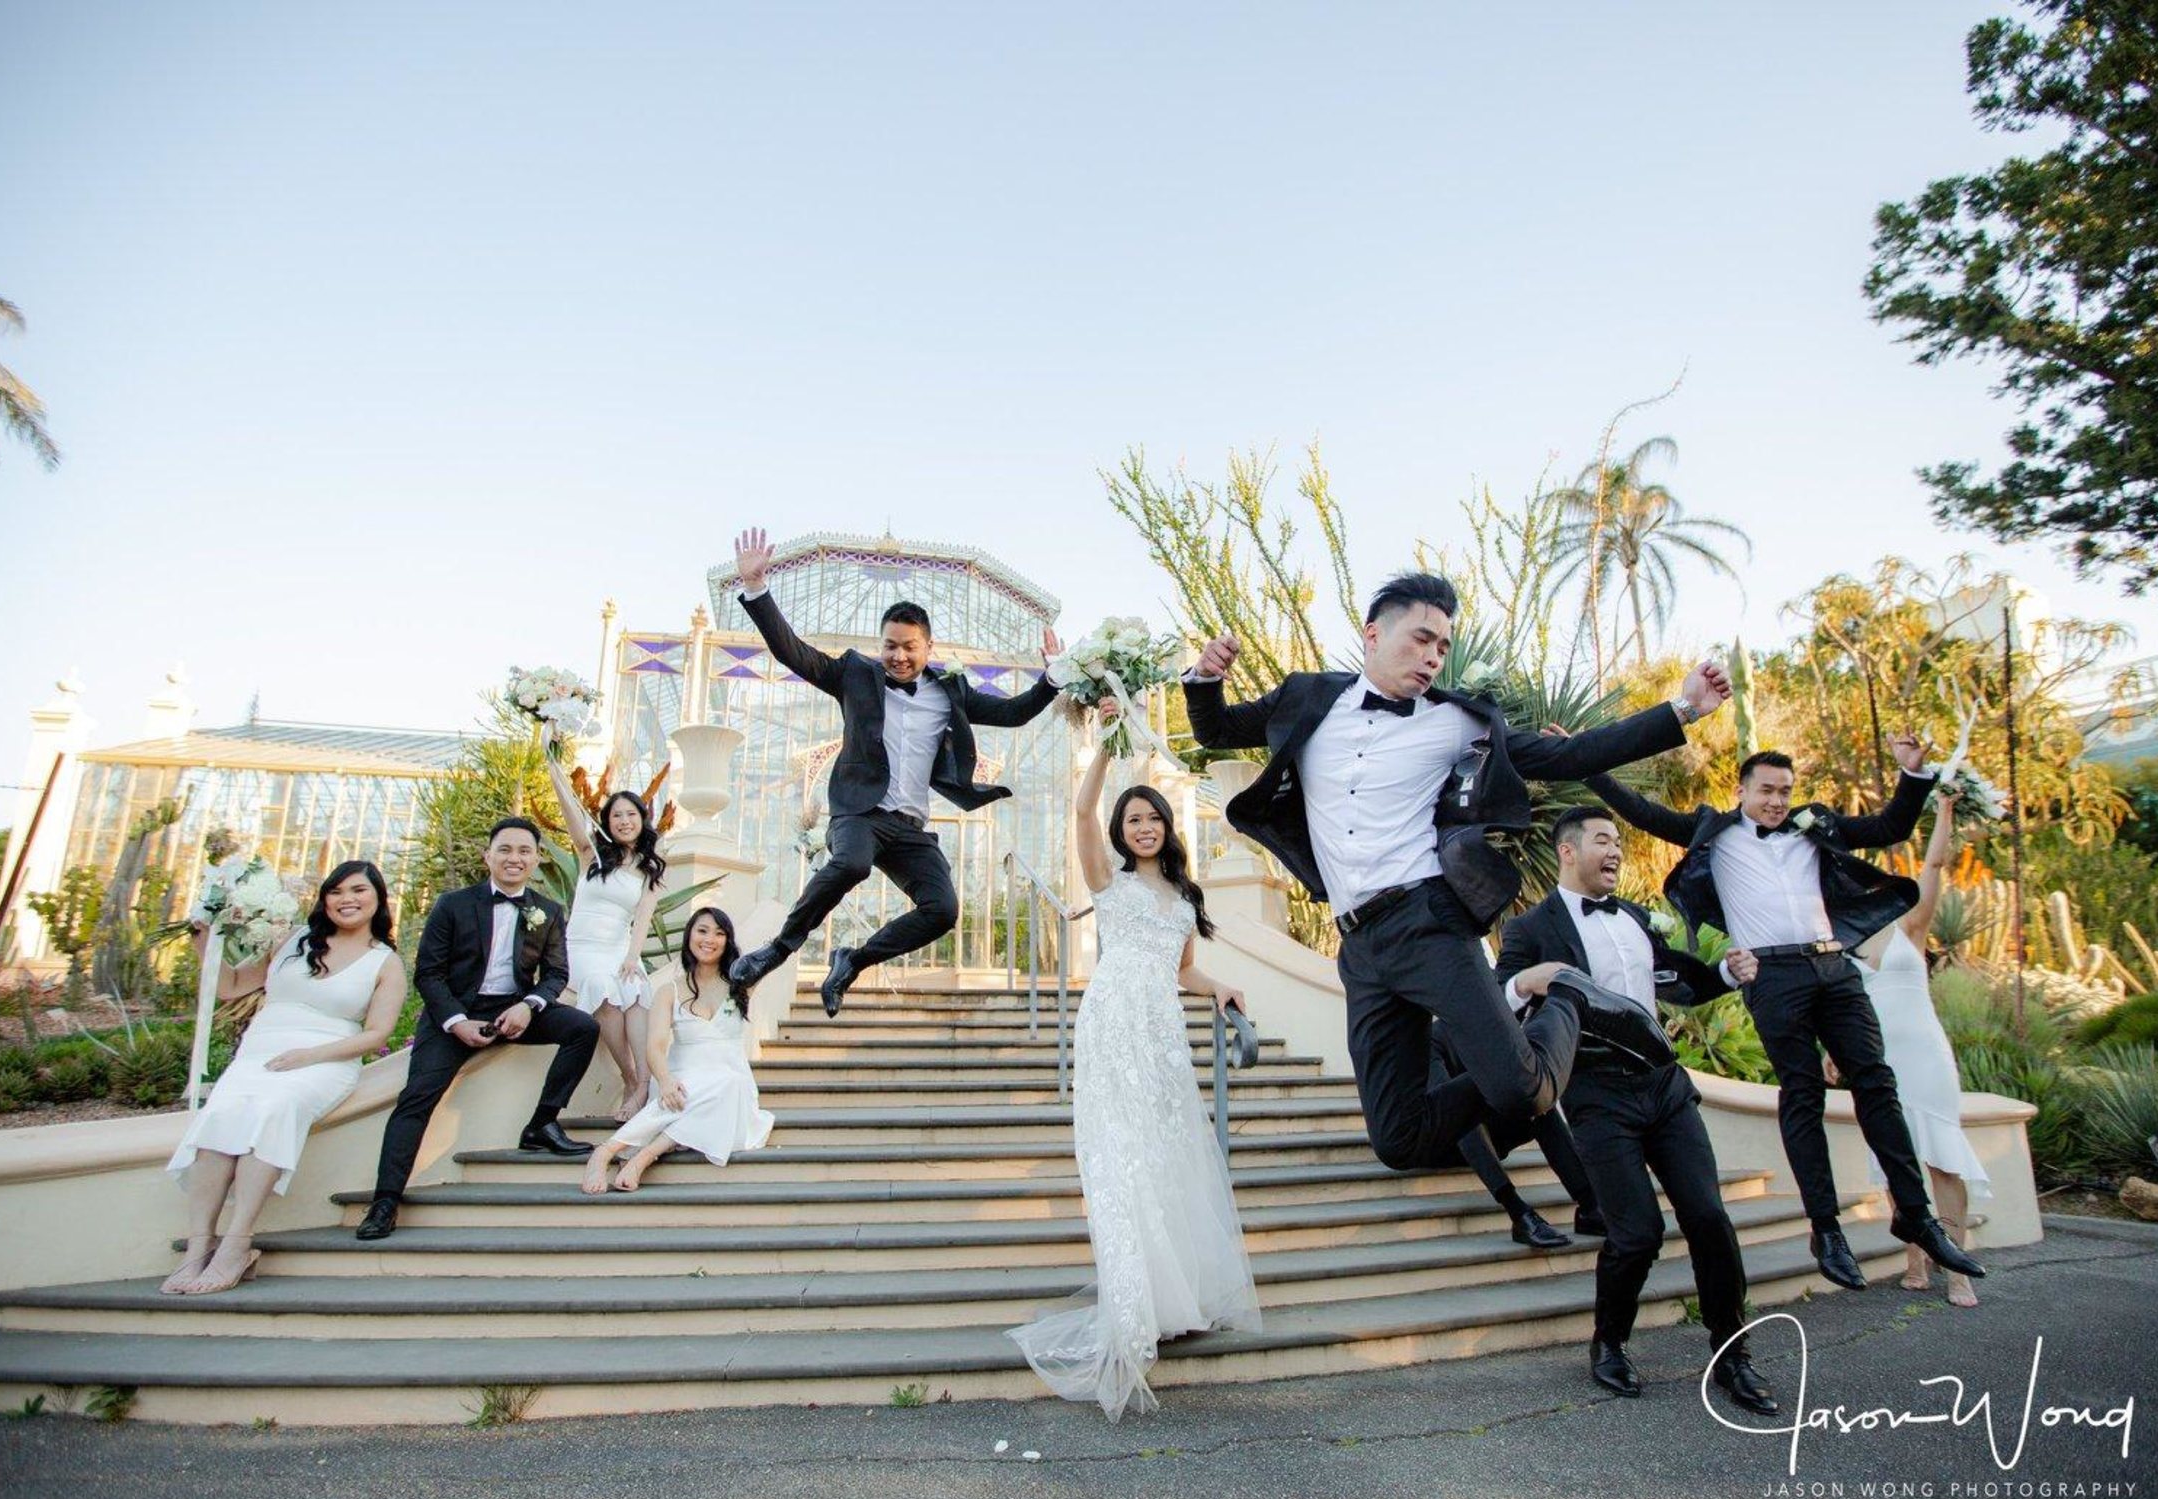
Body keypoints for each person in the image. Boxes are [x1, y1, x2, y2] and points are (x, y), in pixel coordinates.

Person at [1182, 570, 1730, 1174]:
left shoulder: (1457, 722)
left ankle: (1567, 1000)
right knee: (1399, 1140)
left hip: (1429, 924)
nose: (1433, 657)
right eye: (1421, 639)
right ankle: (1518, 1062)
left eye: (1442, 646)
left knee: (1523, 1093)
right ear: (1372, 633)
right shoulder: (1306, 697)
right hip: (1358, 945)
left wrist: (1684, 708)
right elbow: (1215, 730)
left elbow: (1569, 756)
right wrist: (1206, 676)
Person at [1585, 743, 1986, 1291]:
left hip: (1833, 968)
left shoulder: (1814, 826)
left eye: (1784, 791)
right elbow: (1645, 814)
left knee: (1876, 1082)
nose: (1777, 801)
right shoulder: (1717, 835)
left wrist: (1912, 773)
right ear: (1742, 792)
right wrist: (1587, 762)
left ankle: (1915, 1214)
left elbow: (1890, 825)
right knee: (1803, 1093)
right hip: (1774, 979)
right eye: (1767, 790)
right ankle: (1827, 1229)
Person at [1009, 701, 1261, 1419]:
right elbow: (1082, 812)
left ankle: (1169, 1297)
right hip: (1112, 1023)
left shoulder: (1185, 895)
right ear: (1122, 834)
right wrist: (1104, 748)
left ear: (1166, 827)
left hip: (1161, 1033)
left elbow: (1184, 970)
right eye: (1132, 821)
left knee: (1165, 1155)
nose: (1142, 827)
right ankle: (1131, 1309)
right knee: (1120, 1160)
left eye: (1151, 818)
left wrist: (1221, 989)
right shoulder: (1107, 883)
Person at [1493, 806, 1776, 1413]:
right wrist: (1525, 982)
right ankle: (1609, 1343)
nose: (1615, 850)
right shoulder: (1529, 930)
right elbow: (1495, 1003)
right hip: (1597, 1096)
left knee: (1708, 1216)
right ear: (1568, 852)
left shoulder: (1633, 918)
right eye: (1603, 840)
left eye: (1618, 840)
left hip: (1665, 1087)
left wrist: (1726, 971)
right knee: (1637, 1233)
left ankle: (1734, 1354)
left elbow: (1677, 980)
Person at [722, 526, 1064, 1015]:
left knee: (943, 910)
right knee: (852, 864)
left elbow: (1014, 713)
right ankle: (776, 950)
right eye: (890, 645)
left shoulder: (950, 690)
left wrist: (1052, 678)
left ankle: (853, 960)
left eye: (909, 647)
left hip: (909, 826)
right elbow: (792, 652)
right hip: (859, 812)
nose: (898, 656)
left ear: (928, 647)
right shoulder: (854, 675)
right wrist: (757, 589)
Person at [163, 861, 409, 1293]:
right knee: (221, 1114)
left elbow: (377, 1034)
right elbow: (232, 986)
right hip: (259, 1053)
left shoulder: (384, 962)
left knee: (277, 1108)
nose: (346, 899)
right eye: (336, 891)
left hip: (326, 1059)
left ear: (377, 900)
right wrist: (203, 937)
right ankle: (199, 1246)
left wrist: (309, 1056)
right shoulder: (293, 941)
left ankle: (237, 1244)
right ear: (324, 899)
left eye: (358, 890)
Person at [355, 818, 602, 1241]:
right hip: (454, 1014)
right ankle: (385, 1202)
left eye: (525, 851)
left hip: (514, 1009)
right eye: (505, 849)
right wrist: (456, 1021)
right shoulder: (453, 904)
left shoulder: (548, 911)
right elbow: (428, 973)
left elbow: (556, 973)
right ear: (488, 856)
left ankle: (542, 1124)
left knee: (582, 1028)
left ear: (537, 859)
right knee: (416, 1099)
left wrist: (529, 1006)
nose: (514, 858)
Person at [1846, 788, 1987, 1307]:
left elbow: (1933, 863)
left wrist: (1944, 811)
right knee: (1894, 1159)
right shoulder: (1848, 944)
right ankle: (1915, 1261)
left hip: (1925, 1056)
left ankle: (1956, 1268)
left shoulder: (1911, 926)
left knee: (1944, 1161)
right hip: (1878, 1060)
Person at [581, 905, 773, 1193]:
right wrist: (666, 1081)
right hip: (681, 1079)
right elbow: (655, 1046)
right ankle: (606, 1156)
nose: (709, 939)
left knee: (728, 1084)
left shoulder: (741, 984)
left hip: (732, 1082)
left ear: (728, 941)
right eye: (702, 931)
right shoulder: (668, 991)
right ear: (689, 936)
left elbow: (781, 947)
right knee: (699, 1092)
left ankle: (627, 1154)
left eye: (719, 933)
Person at [545, 756, 667, 1121]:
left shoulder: (651, 867)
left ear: (641, 819)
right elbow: (569, 812)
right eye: (616, 816)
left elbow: (642, 918)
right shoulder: (592, 856)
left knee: (635, 990)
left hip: (618, 946)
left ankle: (645, 1084)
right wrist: (552, 764)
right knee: (602, 987)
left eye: (631, 814)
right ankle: (629, 1078)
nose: (624, 821)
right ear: (608, 822)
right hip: (581, 948)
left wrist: (633, 956)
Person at [1433, 1043, 1604, 1249]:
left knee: (1535, 1100)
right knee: (1461, 1111)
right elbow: (1451, 1114)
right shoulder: (1427, 1042)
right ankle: (1519, 1212)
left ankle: (1590, 1206)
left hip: (1482, 1134)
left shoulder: (1480, 1030)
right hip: (1432, 1146)